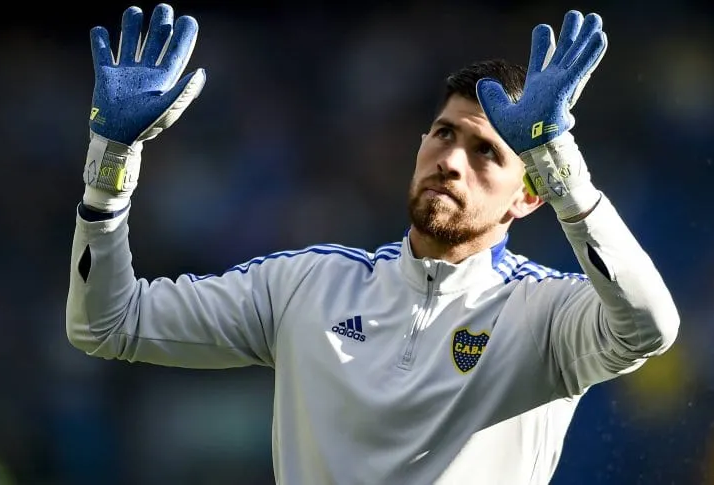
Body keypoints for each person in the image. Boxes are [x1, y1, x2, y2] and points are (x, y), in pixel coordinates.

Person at [67, 4, 680, 484]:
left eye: (486, 152)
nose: (451, 161)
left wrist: (560, 163)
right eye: (443, 134)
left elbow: (649, 327)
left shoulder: (545, 316)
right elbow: (107, 324)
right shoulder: (308, 286)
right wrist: (110, 161)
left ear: (528, 196)